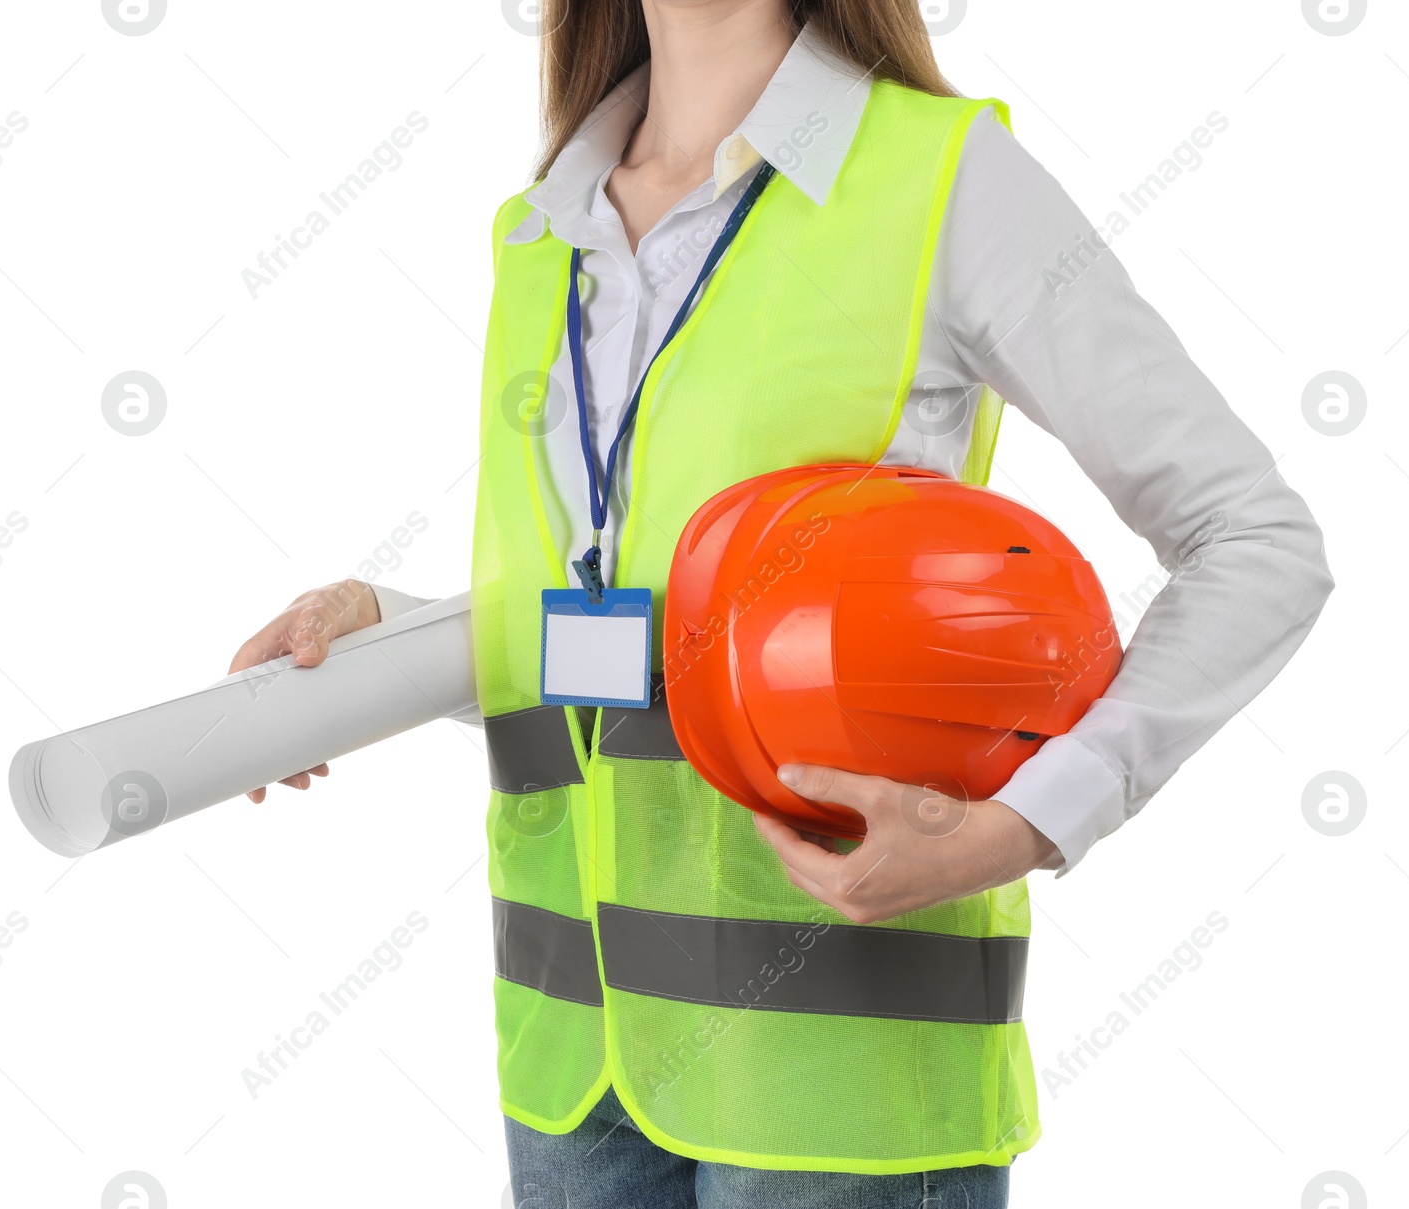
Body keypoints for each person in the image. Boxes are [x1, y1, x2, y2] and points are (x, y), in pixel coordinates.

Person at [228, 1, 1334, 1205]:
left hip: (838, 1076)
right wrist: (383, 626)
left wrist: (1028, 822)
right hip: (571, 1068)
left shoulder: (943, 180)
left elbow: (1255, 540)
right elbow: (620, 636)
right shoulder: (543, 227)